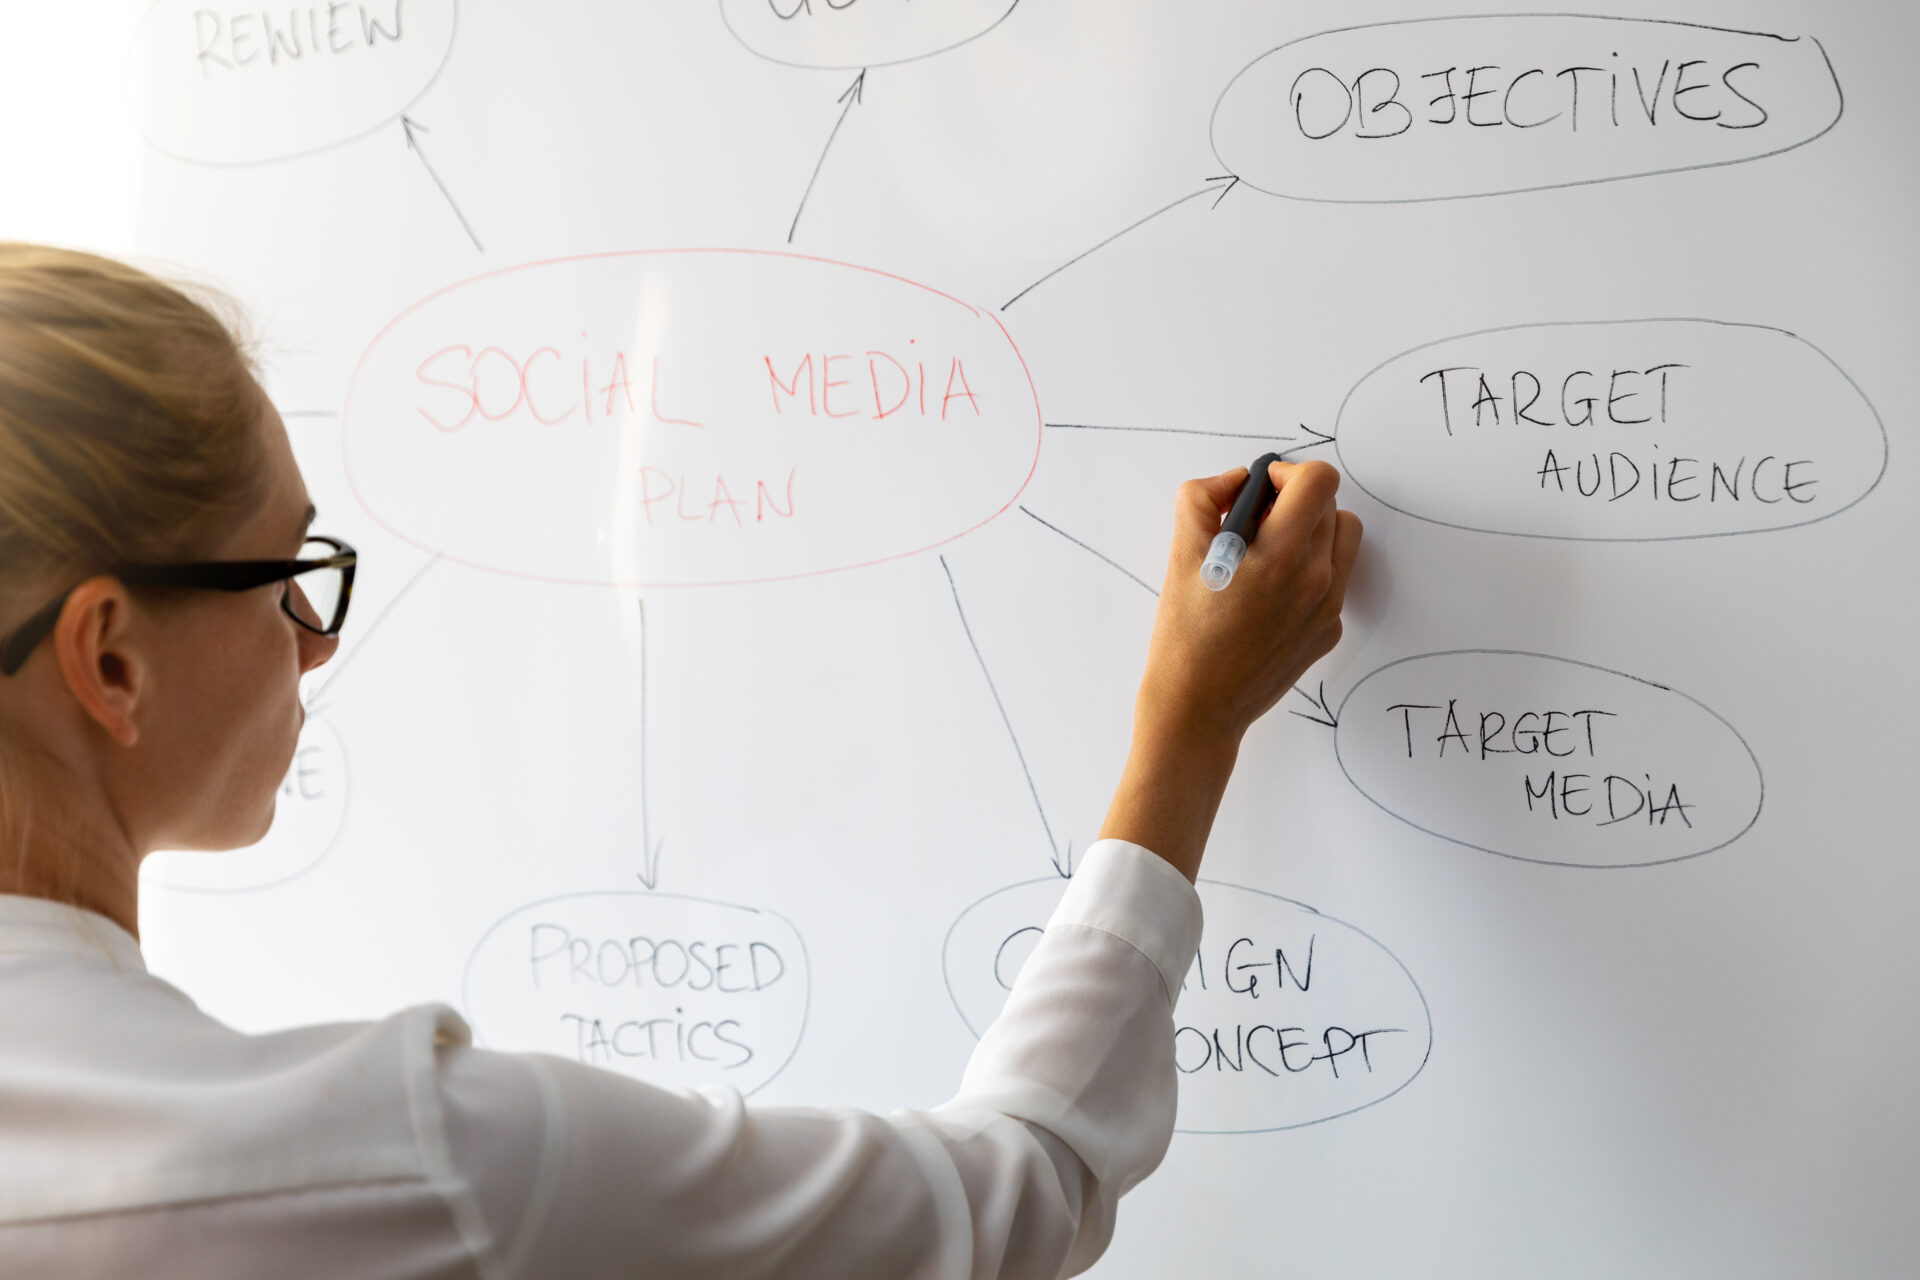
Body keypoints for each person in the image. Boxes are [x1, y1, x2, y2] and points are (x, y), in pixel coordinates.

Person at [0, 243, 1360, 1278]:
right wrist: (1189, 732)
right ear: (112, 658)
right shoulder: (383, 1159)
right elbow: (1020, 1193)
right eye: (288, 575)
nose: (315, 643)